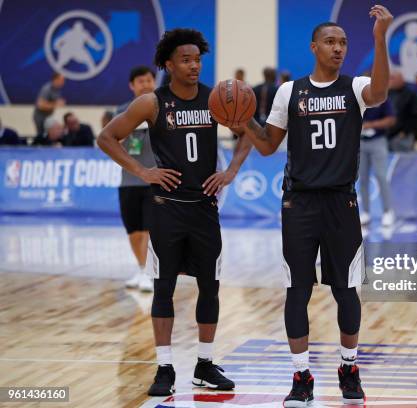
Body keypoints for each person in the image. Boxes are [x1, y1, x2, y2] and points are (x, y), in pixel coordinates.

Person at [232, 6, 393, 406]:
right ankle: (301, 375)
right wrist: (244, 120)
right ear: (314, 47)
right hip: (299, 203)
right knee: (297, 291)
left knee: (347, 291)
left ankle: (349, 366)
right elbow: (268, 146)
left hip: (342, 201)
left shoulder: (355, 88)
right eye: (331, 42)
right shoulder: (290, 92)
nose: (338, 48)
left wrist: (380, 39)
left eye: (343, 43)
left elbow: (381, 92)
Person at [98, 28, 252, 397]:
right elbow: (106, 137)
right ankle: (164, 367)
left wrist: (230, 172)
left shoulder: (217, 99)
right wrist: (143, 171)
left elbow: (250, 133)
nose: (194, 65)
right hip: (166, 209)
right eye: (186, 60)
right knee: (163, 288)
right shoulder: (152, 103)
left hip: (204, 207)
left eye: (198, 59)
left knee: (209, 287)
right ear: (168, 64)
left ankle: (204, 363)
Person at [116, 66, 158, 293]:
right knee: (133, 231)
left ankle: (148, 273)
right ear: (132, 86)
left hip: (154, 180)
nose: (146, 84)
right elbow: (114, 140)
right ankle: (141, 268)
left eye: (149, 80)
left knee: (150, 229)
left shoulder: (162, 107)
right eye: (141, 81)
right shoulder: (122, 111)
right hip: (129, 180)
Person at [359, 97, 395, 226]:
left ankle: (387, 211)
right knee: (362, 178)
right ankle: (365, 212)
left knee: (381, 176)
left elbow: (391, 120)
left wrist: (371, 125)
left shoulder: (382, 99)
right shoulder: (357, 98)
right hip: (360, 141)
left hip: (378, 141)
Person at [387, 71, 417, 151]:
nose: (391, 81)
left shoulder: (411, 94)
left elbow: (415, 115)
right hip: (387, 134)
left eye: (393, 79)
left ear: (401, 80)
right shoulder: (388, 93)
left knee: (403, 160)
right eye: (390, 79)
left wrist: (406, 131)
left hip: (403, 135)